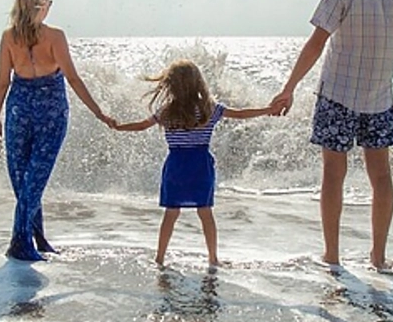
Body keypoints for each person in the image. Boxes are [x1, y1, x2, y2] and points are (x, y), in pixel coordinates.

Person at [271, 0, 393, 271]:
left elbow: (315, 44)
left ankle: (332, 254)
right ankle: (378, 256)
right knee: (381, 177)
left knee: (333, 175)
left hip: (337, 95)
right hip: (381, 98)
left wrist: (289, 87)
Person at [0, 0, 112, 262]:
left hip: (19, 109)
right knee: (31, 180)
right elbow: (72, 77)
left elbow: (2, 81)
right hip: (50, 112)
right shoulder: (54, 36)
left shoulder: (10, 36)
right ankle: (21, 242)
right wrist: (98, 112)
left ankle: (37, 238)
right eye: (48, 2)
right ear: (42, 5)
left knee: (27, 180)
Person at [112, 60, 274, 267]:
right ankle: (213, 258)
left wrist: (118, 127)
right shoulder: (209, 109)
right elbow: (240, 114)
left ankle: (160, 258)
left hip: (176, 166)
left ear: (170, 85)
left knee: (171, 213)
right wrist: (268, 110)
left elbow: (142, 125)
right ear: (198, 83)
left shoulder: (166, 111)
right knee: (205, 212)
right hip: (200, 166)